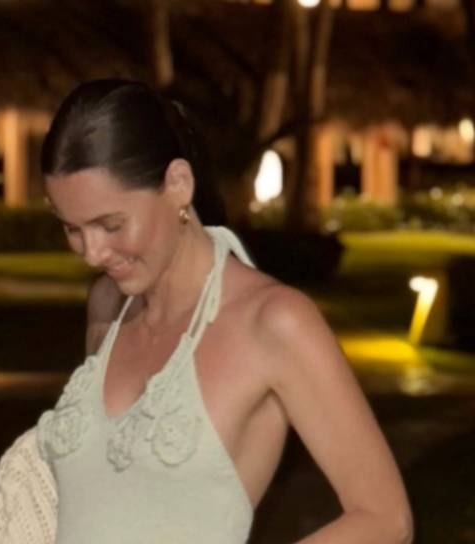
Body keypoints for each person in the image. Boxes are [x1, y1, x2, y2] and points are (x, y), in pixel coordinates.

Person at [29, 79, 411, 542]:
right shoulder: (108, 304)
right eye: (72, 229)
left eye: (110, 224)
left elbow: (385, 518)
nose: (91, 253)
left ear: (178, 184)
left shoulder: (274, 322)